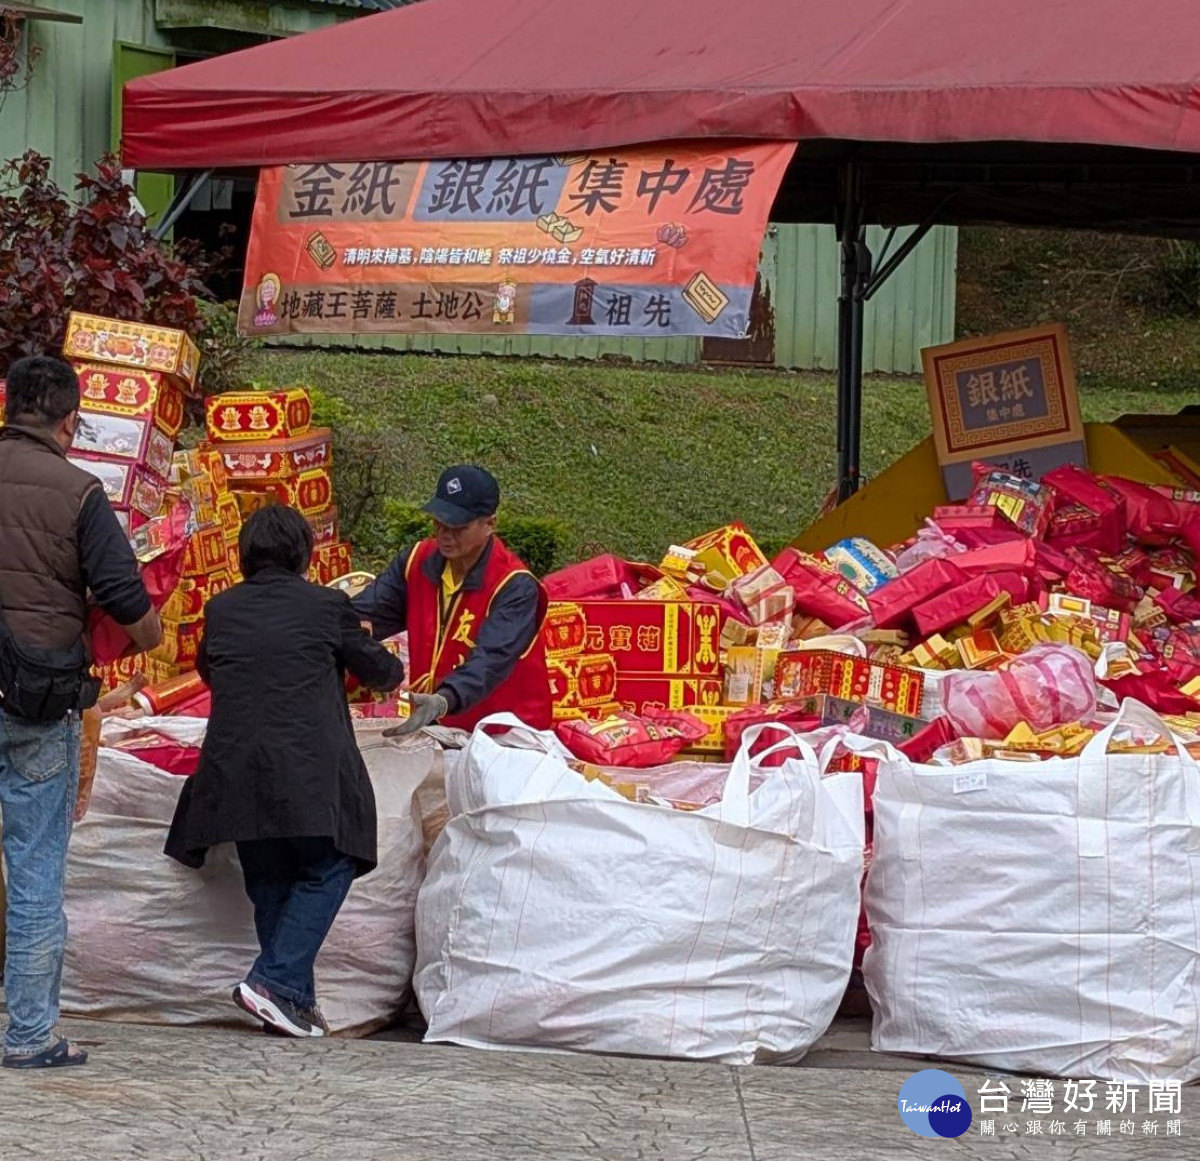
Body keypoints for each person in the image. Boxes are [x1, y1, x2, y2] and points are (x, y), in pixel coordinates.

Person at [165, 506, 404, 1039]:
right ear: (303, 555)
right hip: (309, 770)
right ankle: (273, 982)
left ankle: (291, 1006)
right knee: (334, 862)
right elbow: (383, 670)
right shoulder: (327, 606)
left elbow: (209, 668)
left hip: (233, 774)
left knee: (271, 879)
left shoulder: (222, 610)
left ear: (244, 555)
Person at [0, 355, 161, 1070]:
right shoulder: (79, 492)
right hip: (36, 702)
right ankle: (29, 1033)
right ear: (70, 420)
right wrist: (152, 638)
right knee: (34, 871)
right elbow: (126, 598)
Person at [352, 465, 552, 736]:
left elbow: (491, 659)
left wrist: (444, 700)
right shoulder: (416, 562)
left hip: (504, 735)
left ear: (490, 524)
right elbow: (367, 613)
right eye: (438, 522)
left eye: (458, 526)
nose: (444, 534)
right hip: (436, 725)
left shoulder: (514, 585)